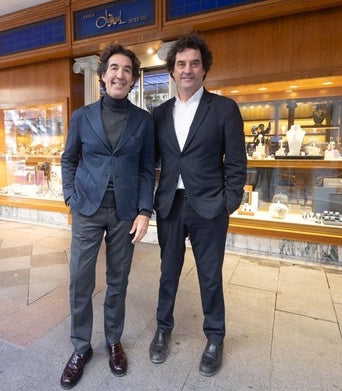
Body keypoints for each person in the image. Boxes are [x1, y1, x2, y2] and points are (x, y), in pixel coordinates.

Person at [149, 33, 247, 377]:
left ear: (204, 70)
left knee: (209, 276)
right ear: (172, 72)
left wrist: (228, 203)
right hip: (170, 206)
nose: (187, 70)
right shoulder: (159, 114)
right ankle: (163, 329)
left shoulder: (224, 109)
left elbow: (237, 162)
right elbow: (152, 162)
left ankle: (215, 337)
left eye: (194, 63)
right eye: (181, 64)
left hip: (209, 208)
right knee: (167, 272)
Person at [60, 44, 155, 389]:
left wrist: (145, 211)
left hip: (125, 212)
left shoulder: (144, 121)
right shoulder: (82, 117)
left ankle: (113, 341)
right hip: (87, 207)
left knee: (118, 281)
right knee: (80, 279)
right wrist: (70, 196)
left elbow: (148, 169)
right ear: (102, 76)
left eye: (127, 70)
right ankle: (80, 348)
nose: (120, 74)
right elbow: (69, 159)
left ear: (133, 79)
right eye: (114, 68)